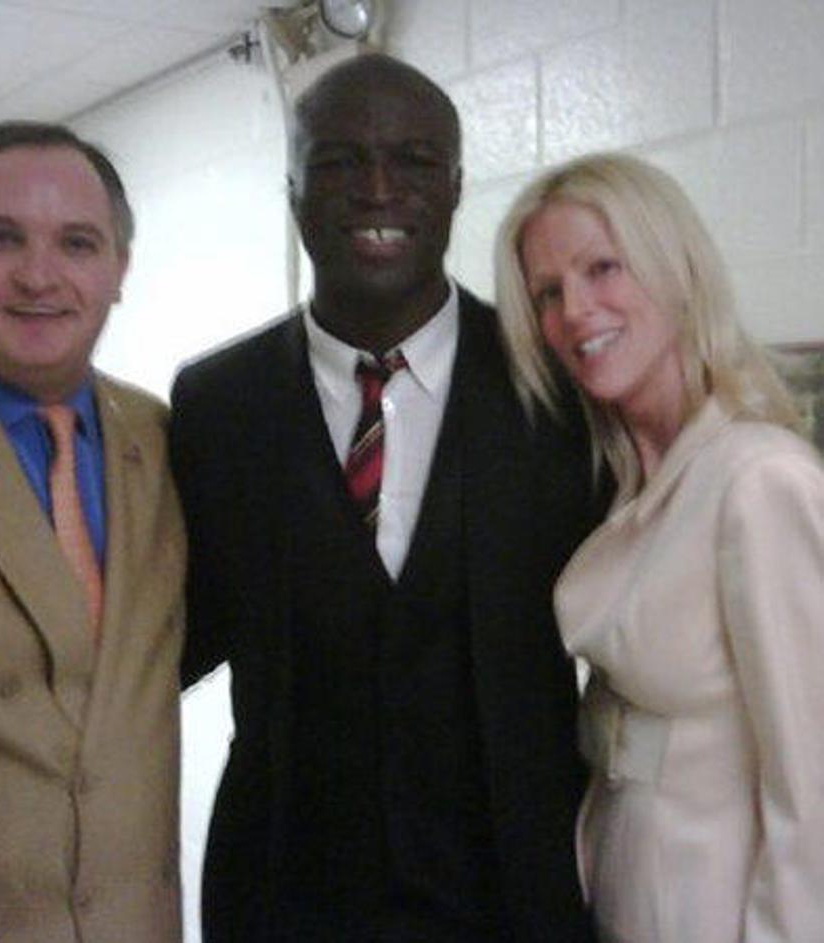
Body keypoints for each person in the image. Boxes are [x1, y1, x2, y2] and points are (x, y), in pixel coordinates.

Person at [170, 53, 601, 942]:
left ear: (454, 186)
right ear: (292, 190)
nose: (376, 188)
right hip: (283, 895)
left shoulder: (557, 391)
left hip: (519, 895)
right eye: (338, 161)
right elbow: (177, 633)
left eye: (413, 161)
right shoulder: (217, 403)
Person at [496, 151, 824, 943]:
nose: (574, 310)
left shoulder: (758, 479)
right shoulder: (627, 482)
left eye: (601, 268)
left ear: (675, 269)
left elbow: (814, 788)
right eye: (547, 292)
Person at [0, 121, 186, 942]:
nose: (39, 275)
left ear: (119, 270)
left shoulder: (162, 439)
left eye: (77, 243)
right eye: (2, 237)